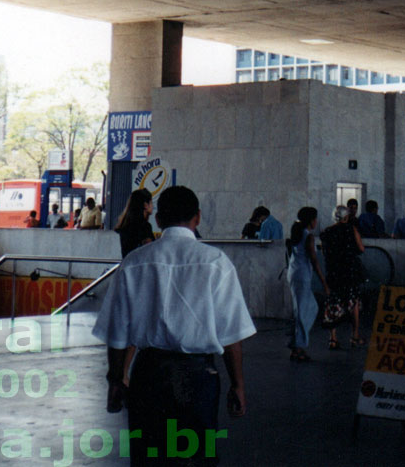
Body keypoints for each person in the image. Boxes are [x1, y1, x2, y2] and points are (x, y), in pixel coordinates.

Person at [93, 185, 255, 467]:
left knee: (149, 457)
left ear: (157, 219)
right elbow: (231, 336)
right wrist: (238, 385)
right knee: (197, 457)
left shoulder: (134, 263)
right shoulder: (217, 263)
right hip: (198, 377)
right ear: (199, 218)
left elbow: (117, 335)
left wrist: (116, 380)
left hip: (148, 375)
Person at [105, 188, 158, 412]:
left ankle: (116, 374)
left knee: (121, 327)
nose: (152, 206)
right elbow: (149, 251)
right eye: (150, 203)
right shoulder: (145, 227)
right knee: (136, 328)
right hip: (141, 278)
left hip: (124, 275)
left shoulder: (125, 224)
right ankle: (124, 374)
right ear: (144, 205)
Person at [319, 204, 366, 349]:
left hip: (334, 272)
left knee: (333, 303)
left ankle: (333, 338)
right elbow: (361, 249)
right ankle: (355, 336)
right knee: (354, 303)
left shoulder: (326, 232)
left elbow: (324, 253)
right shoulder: (351, 229)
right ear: (346, 216)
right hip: (350, 272)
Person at [286, 207, 328, 361]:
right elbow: (315, 261)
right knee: (303, 311)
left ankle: (296, 343)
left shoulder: (297, 233)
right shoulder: (308, 237)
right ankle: (298, 347)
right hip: (302, 276)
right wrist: (324, 283)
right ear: (311, 220)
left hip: (295, 273)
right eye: (315, 218)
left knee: (307, 308)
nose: (317, 221)